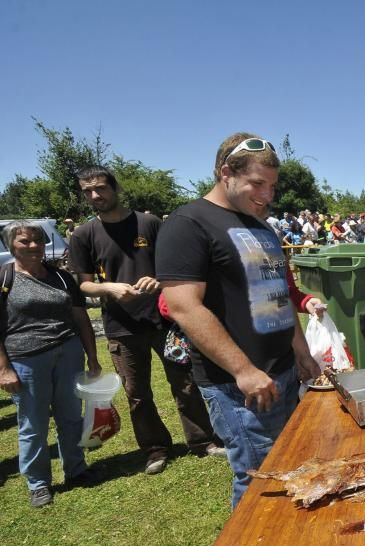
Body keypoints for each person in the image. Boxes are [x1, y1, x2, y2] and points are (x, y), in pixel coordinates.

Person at [156, 133, 320, 508]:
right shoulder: (188, 223)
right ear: (225, 172)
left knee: (290, 470)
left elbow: (277, 294)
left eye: (273, 186)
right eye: (258, 183)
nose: (267, 195)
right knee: (259, 485)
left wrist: (302, 352)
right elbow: (184, 307)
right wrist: (243, 370)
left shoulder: (261, 226)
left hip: (281, 375)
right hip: (237, 387)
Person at [71, 166, 224, 475]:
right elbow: (83, 284)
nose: (95, 195)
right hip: (120, 326)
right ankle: (155, 447)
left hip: (165, 320)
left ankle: (202, 440)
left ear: (115, 188)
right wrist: (109, 288)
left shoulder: (149, 223)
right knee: (137, 393)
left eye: (100, 188)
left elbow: (178, 266)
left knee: (185, 383)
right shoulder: (84, 234)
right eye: (87, 191)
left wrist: (158, 280)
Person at [0, 221, 102, 507]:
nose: (33, 246)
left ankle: (76, 469)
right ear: (12, 246)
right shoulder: (5, 278)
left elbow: (81, 318)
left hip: (68, 352)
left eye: (38, 240)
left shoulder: (61, 277)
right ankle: (38, 483)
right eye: (24, 242)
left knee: (71, 416)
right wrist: (3, 369)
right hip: (26, 360)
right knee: (33, 423)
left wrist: (92, 357)